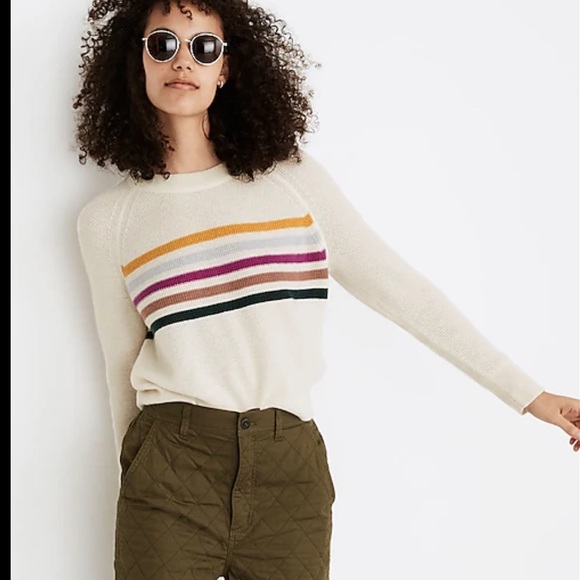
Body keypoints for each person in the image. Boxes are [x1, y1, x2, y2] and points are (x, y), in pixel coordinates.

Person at [73, 0, 580, 578]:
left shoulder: (291, 182)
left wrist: (529, 394)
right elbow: (121, 366)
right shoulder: (109, 221)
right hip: (169, 468)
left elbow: (398, 289)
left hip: (288, 472)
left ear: (226, 68)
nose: (182, 61)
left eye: (204, 47)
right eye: (163, 44)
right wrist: (136, 475)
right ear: (137, 60)